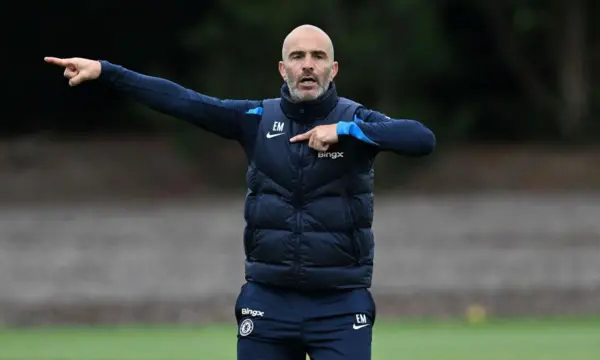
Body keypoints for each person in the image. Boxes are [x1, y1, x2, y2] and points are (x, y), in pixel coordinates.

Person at [45, 24, 435, 360]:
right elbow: (184, 101)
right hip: (268, 301)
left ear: (333, 70)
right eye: (297, 56)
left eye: (318, 56)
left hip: (340, 303)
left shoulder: (356, 121)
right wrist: (107, 72)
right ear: (283, 69)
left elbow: (421, 138)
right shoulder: (257, 118)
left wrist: (344, 132)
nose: (308, 64)